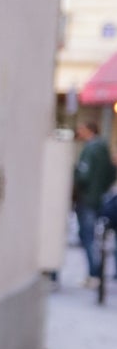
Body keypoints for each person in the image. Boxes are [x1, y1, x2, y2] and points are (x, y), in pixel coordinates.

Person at [73, 121, 117, 284]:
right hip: (99, 198)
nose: (79, 132)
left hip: (87, 198)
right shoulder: (104, 148)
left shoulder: (90, 149)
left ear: (89, 130)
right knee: (94, 237)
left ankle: (94, 274)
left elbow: (83, 176)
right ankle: (96, 273)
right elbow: (112, 173)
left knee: (88, 236)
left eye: (81, 129)